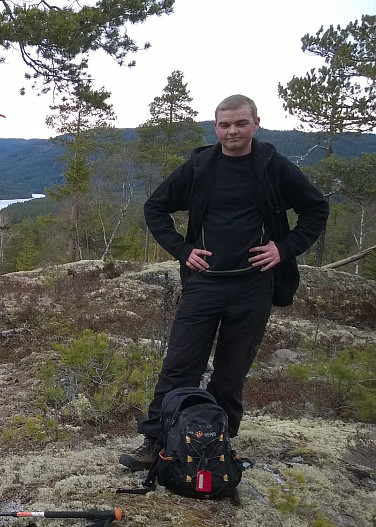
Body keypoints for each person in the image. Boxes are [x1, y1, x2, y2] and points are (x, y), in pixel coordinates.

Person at [120, 94, 329, 471]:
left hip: (254, 286)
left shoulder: (273, 167)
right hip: (204, 283)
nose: (232, 131)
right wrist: (183, 250)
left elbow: (316, 209)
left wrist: (284, 248)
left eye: (240, 123)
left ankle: (217, 443)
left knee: (231, 371)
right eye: (224, 124)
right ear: (215, 127)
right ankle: (155, 441)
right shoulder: (201, 166)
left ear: (256, 124)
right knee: (180, 365)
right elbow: (155, 207)